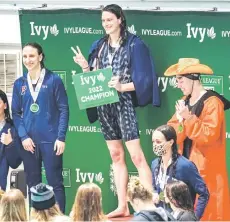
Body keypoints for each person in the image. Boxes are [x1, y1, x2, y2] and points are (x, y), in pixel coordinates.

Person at [71, 4, 160, 217]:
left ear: (120, 19)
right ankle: (123, 205)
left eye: (110, 19)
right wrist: (85, 67)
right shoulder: (99, 46)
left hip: (124, 103)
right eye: (103, 21)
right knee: (116, 155)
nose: (106, 24)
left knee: (137, 157)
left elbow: (145, 81)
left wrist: (122, 87)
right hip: (104, 104)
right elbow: (94, 77)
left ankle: (149, 206)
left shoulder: (134, 44)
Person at [166, 58, 230, 220]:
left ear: (193, 77)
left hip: (206, 170)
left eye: (180, 79)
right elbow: (174, 133)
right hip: (185, 168)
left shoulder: (213, 102)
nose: (178, 84)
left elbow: (208, 136)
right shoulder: (183, 102)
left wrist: (188, 118)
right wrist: (181, 121)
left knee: (208, 214)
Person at [12, 42, 69, 213]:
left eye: (31, 56)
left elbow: (64, 109)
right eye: (25, 56)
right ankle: (36, 218)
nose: (28, 60)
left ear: (40, 57)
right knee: (33, 184)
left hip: (51, 140)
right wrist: (23, 137)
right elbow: (15, 113)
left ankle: (58, 218)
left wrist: (61, 137)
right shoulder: (19, 84)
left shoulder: (54, 80)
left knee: (55, 182)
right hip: (29, 142)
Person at [151, 124, 209, 220]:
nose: (155, 145)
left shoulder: (185, 166)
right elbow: (156, 188)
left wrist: (194, 217)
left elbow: (204, 193)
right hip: (162, 217)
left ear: (170, 142)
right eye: (153, 142)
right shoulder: (154, 164)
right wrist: (155, 194)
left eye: (158, 142)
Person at [0, 90, 22, 191]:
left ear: (5, 105)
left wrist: (10, 144)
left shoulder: (14, 128)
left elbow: (15, 162)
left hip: (4, 189)